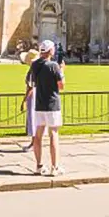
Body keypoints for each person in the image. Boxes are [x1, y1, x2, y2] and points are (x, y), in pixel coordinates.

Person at [25, 40, 65, 176]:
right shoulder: (54, 66)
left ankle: (39, 165)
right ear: (50, 51)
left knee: (38, 134)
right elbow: (61, 86)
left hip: (39, 104)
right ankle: (55, 167)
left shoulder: (35, 65)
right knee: (53, 134)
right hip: (52, 104)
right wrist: (62, 71)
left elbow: (31, 81)